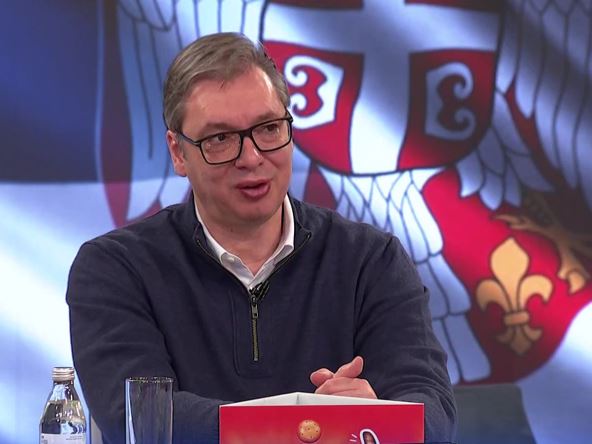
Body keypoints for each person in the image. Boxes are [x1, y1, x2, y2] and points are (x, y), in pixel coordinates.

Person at [66, 32, 456, 443]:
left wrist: (376, 414)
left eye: (269, 128)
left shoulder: (371, 260)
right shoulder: (116, 268)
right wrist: (312, 425)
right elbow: (141, 417)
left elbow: (433, 413)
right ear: (179, 152)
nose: (251, 158)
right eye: (220, 139)